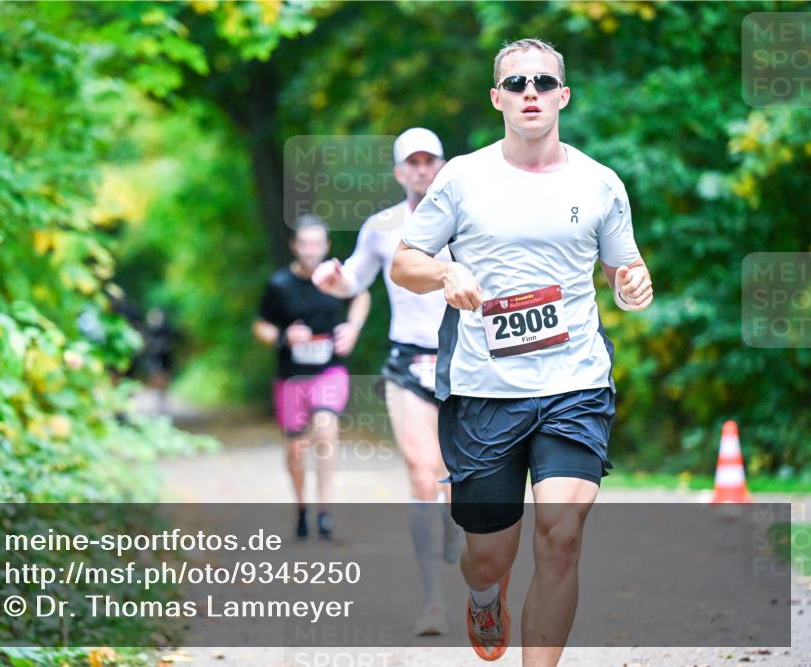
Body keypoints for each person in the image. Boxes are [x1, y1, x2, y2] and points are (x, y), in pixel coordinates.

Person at [391, 38, 653, 665]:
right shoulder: (462, 177)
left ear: (563, 95)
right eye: (516, 84)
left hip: (575, 383)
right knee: (489, 554)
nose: (529, 92)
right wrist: (446, 276)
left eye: (542, 82)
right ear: (497, 99)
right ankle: (485, 595)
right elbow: (406, 261)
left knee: (561, 539)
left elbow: (625, 264)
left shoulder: (599, 183)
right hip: (485, 390)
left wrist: (634, 282)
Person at [312, 127, 464, 635]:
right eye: (412, 162)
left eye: (430, 160)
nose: (422, 169)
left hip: (465, 359)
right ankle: (433, 603)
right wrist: (334, 281)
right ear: (400, 172)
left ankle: (458, 539)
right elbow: (354, 277)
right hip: (407, 361)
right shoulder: (381, 226)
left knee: (457, 477)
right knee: (424, 473)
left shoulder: (468, 220)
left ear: (443, 166)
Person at [254, 214, 371, 539]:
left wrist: (353, 328)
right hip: (291, 376)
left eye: (317, 244)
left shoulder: (336, 279)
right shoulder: (279, 285)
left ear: (327, 246)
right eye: (305, 244)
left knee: (325, 425)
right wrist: (283, 337)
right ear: (294, 246)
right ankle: (302, 508)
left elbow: (362, 295)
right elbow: (260, 326)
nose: (311, 250)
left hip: (329, 371)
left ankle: (325, 511)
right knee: (295, 448)